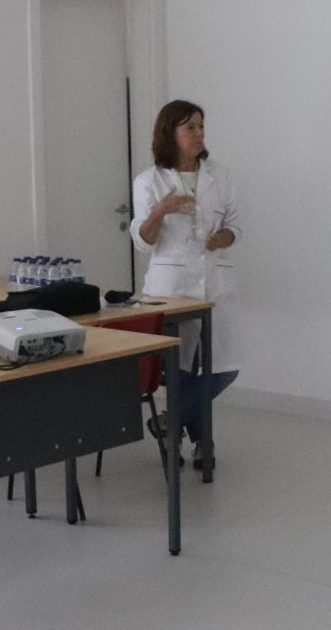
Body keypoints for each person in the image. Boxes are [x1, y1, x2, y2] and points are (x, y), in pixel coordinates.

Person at [129, 99, 242, 469]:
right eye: (189, 127)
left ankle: (169, 423)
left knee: (224, 367)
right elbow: (143, 241)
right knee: (179, 371)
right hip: (171, 287)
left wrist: (223, 237)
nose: (198, 134)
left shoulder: (219, 175)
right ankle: (200, 442)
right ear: (170, 133)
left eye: (201, 126)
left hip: (215, 282)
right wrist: (160, 210)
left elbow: (235, 225)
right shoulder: (149, 181)